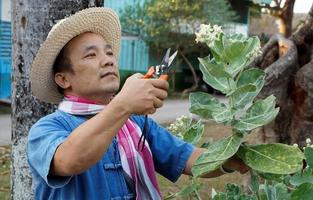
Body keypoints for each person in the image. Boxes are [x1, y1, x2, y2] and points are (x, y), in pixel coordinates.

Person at [27, 7, 247, 200]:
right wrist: (123, 104)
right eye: (91, 55)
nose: (108, 60)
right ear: (63, 79)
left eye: (109, 52)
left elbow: (187, 158)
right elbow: (68, 160)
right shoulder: (45, 130)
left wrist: (233, 159)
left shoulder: (135, 122)